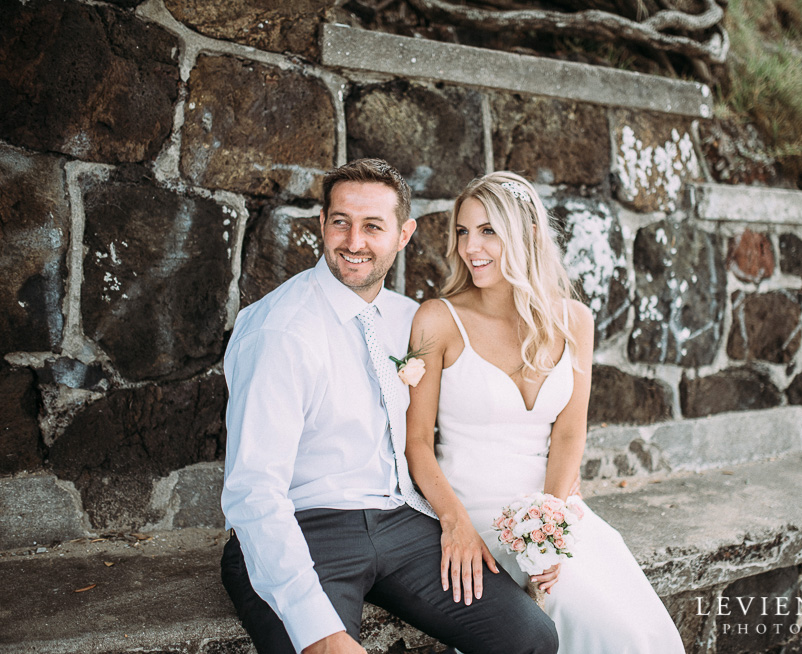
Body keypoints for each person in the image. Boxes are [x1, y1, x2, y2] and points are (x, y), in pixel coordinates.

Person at [220, 159, 559, 654]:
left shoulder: (409, 320)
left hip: (402, 521)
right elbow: (254, 492)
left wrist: (454, 519)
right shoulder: (280, 332)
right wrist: (319, 631)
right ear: (322, 224)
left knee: (529, 638)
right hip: (307, 526)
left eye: (372, 226)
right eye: (340, 221)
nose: (353, 241)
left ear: (403, 235)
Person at [405, 172, 686, 654]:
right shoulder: (438, 319)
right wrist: (455, 523)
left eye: (489, 230)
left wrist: (552, 530)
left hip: (553, 511)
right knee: (602, 633)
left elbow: (570, 435)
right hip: (473, 513)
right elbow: (416, 443)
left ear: (528, 233)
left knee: (644, 636)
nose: (472, 246)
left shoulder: (574, 320)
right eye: (463, 231)